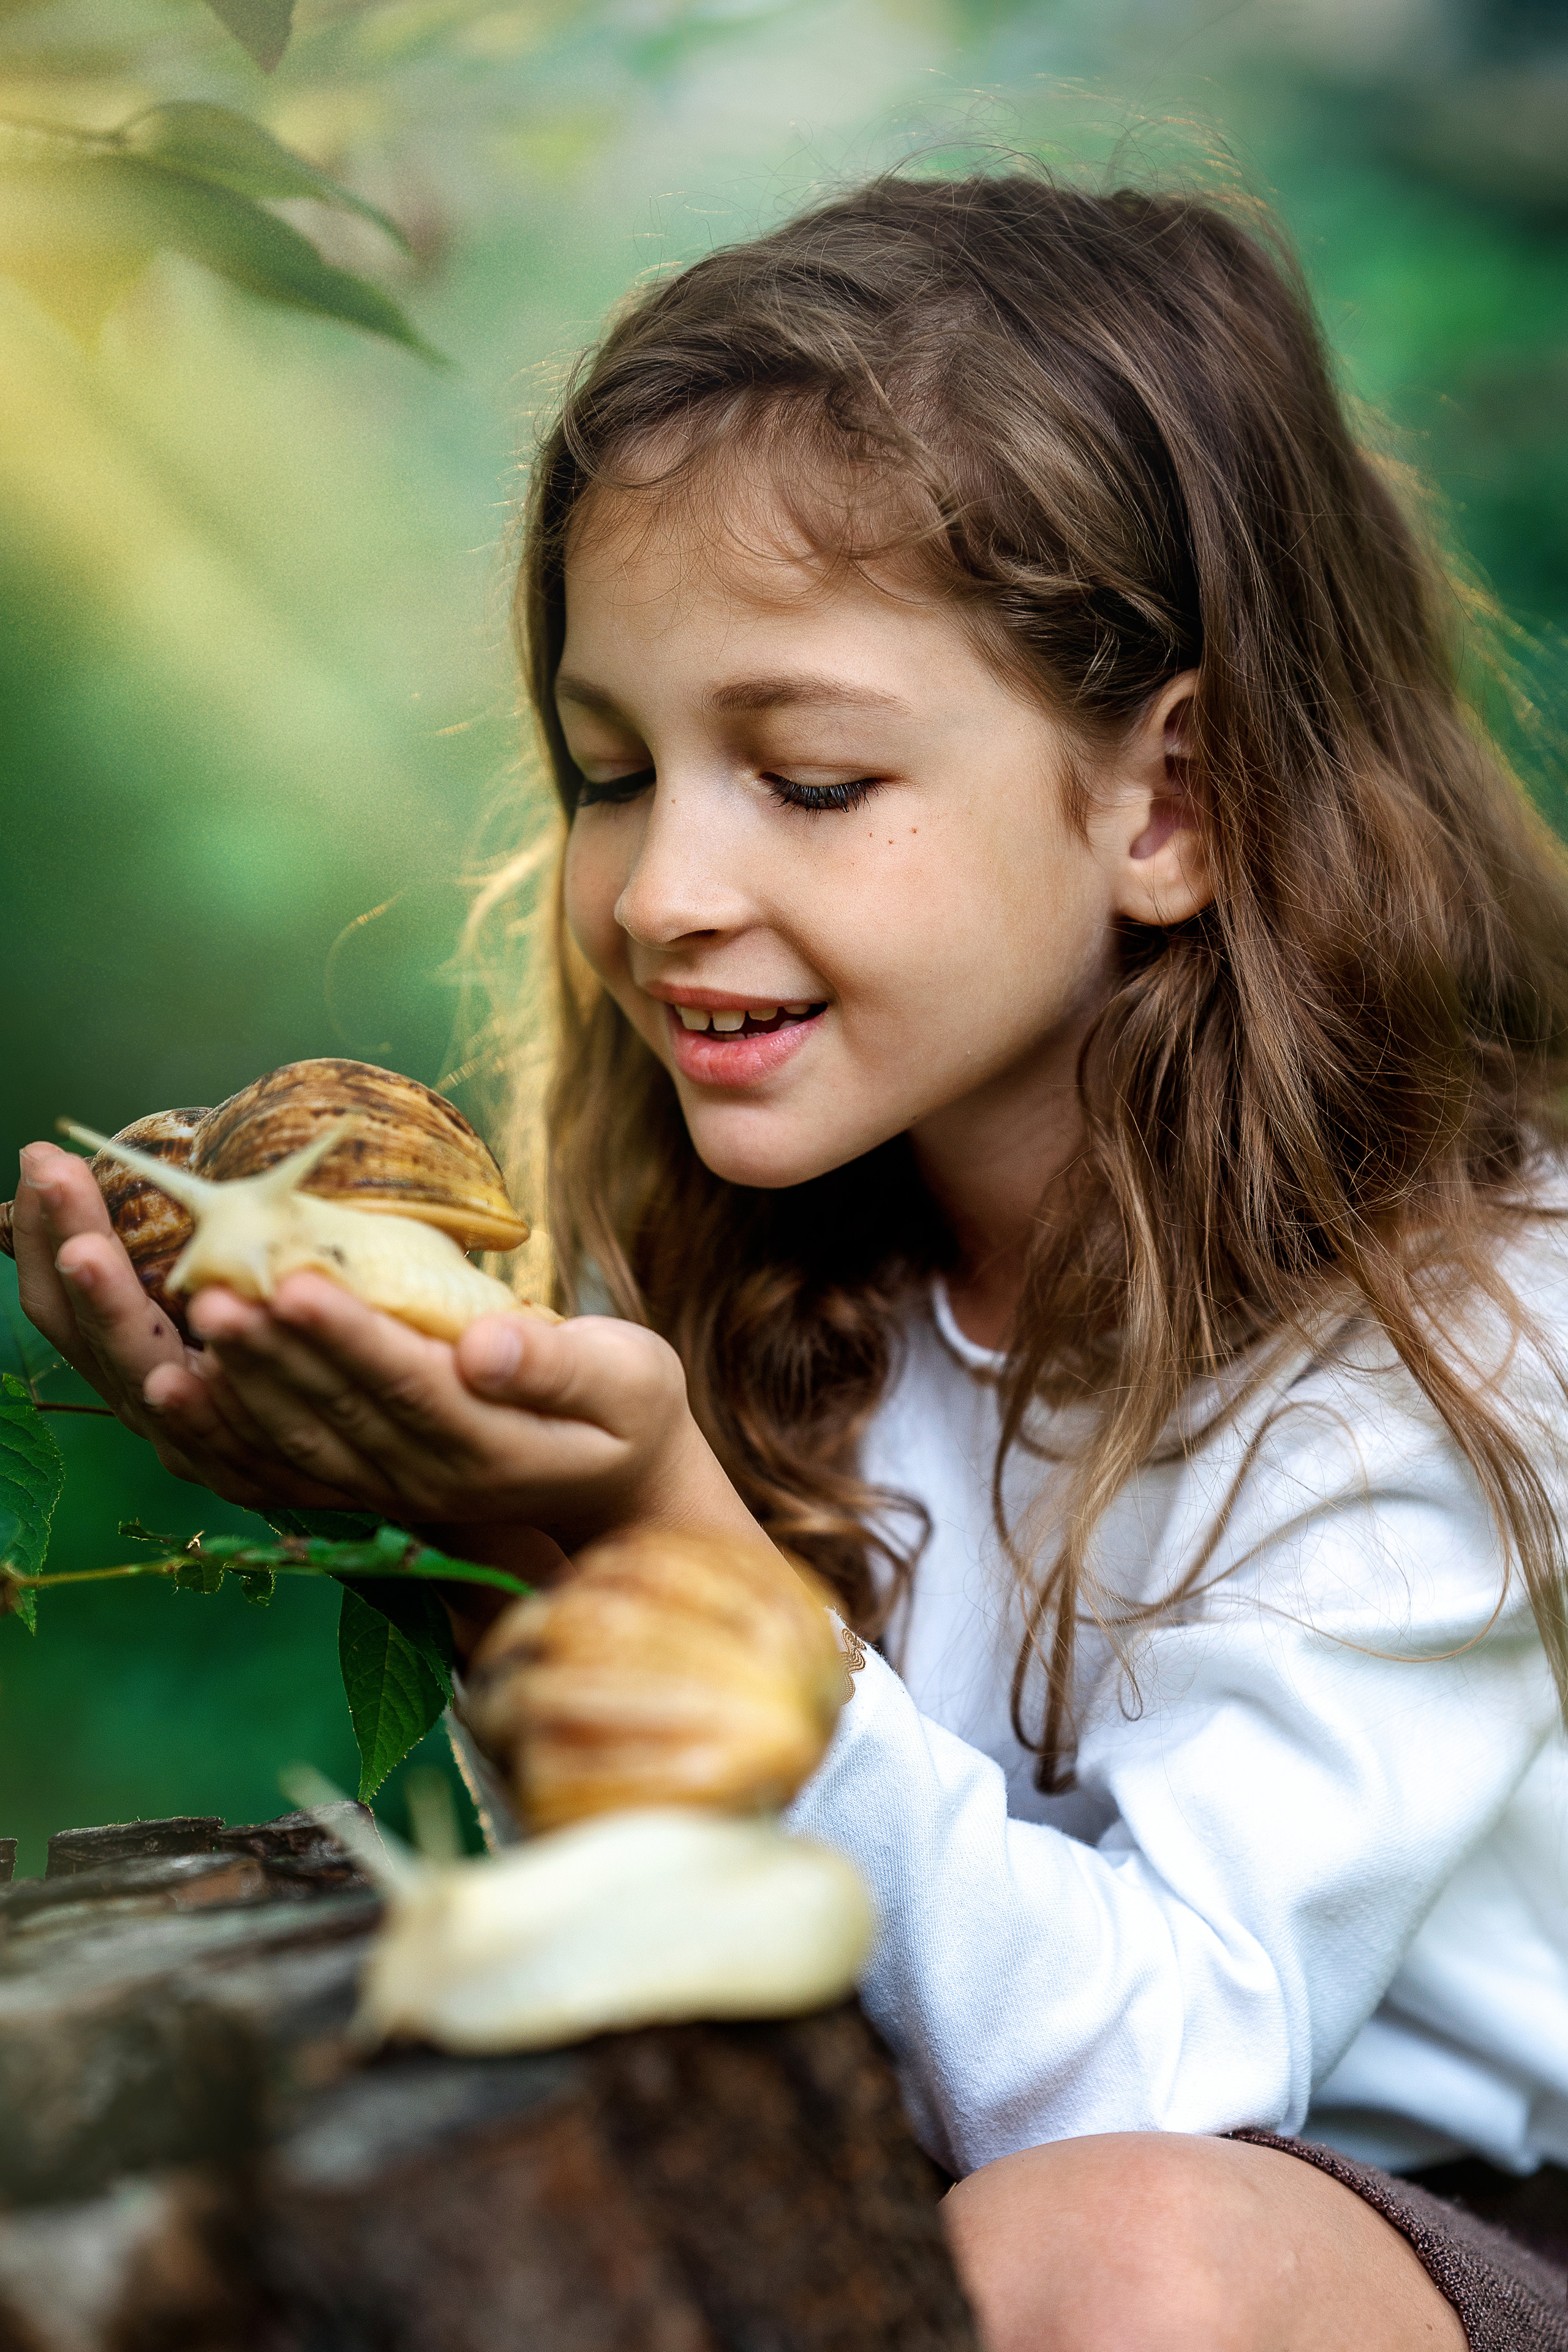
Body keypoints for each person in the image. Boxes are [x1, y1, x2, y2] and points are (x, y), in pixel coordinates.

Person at [13, 170, 1568, 2349]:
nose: (658, 890)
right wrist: (469, 1537)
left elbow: (1154, 2093)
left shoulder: (1458, 1336)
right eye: (609, 773)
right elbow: (702, 1915)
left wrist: (675, 1548)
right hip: (917, 2183)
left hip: (1429, 2238)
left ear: (1171, 805)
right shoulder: (753, 1273)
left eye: (810, 777)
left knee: (1125, 2261)